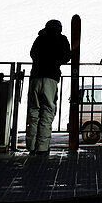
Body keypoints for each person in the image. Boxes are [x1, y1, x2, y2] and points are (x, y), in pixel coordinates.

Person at [25, 19, 72, 155]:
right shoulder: (61, 39)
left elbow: (32, 54)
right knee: (47, 111)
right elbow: (66, 56)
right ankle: (42, 146)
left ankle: (31, 145)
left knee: (34, 111)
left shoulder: (39, 38)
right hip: (51, 78)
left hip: (35, 77)